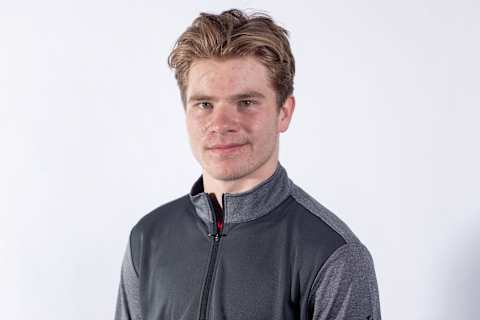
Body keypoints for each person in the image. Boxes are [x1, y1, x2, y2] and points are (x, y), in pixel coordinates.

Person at [114, 9, 381, 320]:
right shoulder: (147, 239)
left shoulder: (333, 255)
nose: (222, 123)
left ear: (284, 112)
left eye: (246, 102)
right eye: (204, 104)